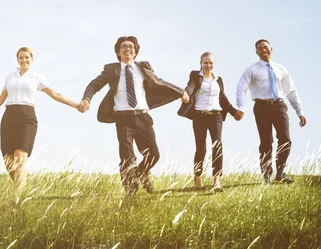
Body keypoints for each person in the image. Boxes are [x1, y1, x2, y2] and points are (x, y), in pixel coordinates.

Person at [78, 36, 188, 195]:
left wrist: (181, 92)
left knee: (154, 155)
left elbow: (161, 82)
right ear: (118, 52)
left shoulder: (143, 68)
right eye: (123, 47)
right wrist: (86, 99)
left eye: (131, 47)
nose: (127, 49)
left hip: (143, 116)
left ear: (135, 52)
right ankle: (130, 189)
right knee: (127, 156)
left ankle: (141, 173)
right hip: (123, 119)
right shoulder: (112, 70)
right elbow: (94, 84)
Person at [0, 47, 79, 201]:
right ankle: (21, 185)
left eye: (27, 57)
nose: (24, 60)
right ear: (17, 59)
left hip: (27, 117)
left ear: (32, 59)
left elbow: (55, 94)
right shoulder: (9, 77)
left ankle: (16, 198)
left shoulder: (37, 77)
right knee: (8, 161)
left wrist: (75, 105)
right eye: (21, 58)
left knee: (20, 157)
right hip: (9, 117)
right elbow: (2, 97)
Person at [235, 39, 307, 184]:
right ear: (256, 52)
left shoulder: (281, 69)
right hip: (261, 108)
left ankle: (280, 172)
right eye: (260, 48)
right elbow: (241, 87)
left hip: (279, 106)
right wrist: (241, 108)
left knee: (285, 139)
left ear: (271, 49)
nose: (263, 50)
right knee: (266, 142)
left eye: (266, 47)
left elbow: (291, 91)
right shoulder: (252, 70)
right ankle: (266, 174)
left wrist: (299, 111)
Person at [177, 52, 239, 192]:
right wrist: (185, 94)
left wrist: (234, 112)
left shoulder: (218, 79)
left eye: (211, 63)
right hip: (199, 116)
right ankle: (197, 176)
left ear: (214, 64)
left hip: (215, 116)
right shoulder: (195, 76)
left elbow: (222, 98)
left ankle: (216, 181)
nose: (208, 65)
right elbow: (190, 86)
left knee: (217, 146)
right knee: (201, 148)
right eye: (205, 63)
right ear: (201, 63)